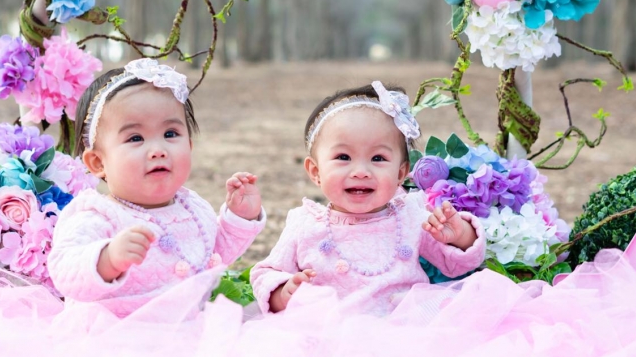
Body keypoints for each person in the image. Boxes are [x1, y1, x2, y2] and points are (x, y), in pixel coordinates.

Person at [48, 59, 266, 316]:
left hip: (189, 325)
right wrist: (107, 259)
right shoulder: (96, 214)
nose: (158, 150)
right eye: (135, 138)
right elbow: (64, 268)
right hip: (118, 333)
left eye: (171, 134)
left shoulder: (192, 206)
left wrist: (239, 218)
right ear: (98, 162)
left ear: (190, 146)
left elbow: (212, 254)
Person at [253, 82, 485, 314]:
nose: (361, 171)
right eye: (343, 157)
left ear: (401, 173)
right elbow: (267, 273)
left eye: (378, 158)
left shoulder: (411, 217)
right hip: (329, 332)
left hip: (403, 328)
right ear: (316, 172)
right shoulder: (305, 224)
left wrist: (461, 235)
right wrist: (283, 293)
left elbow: (456, 265)